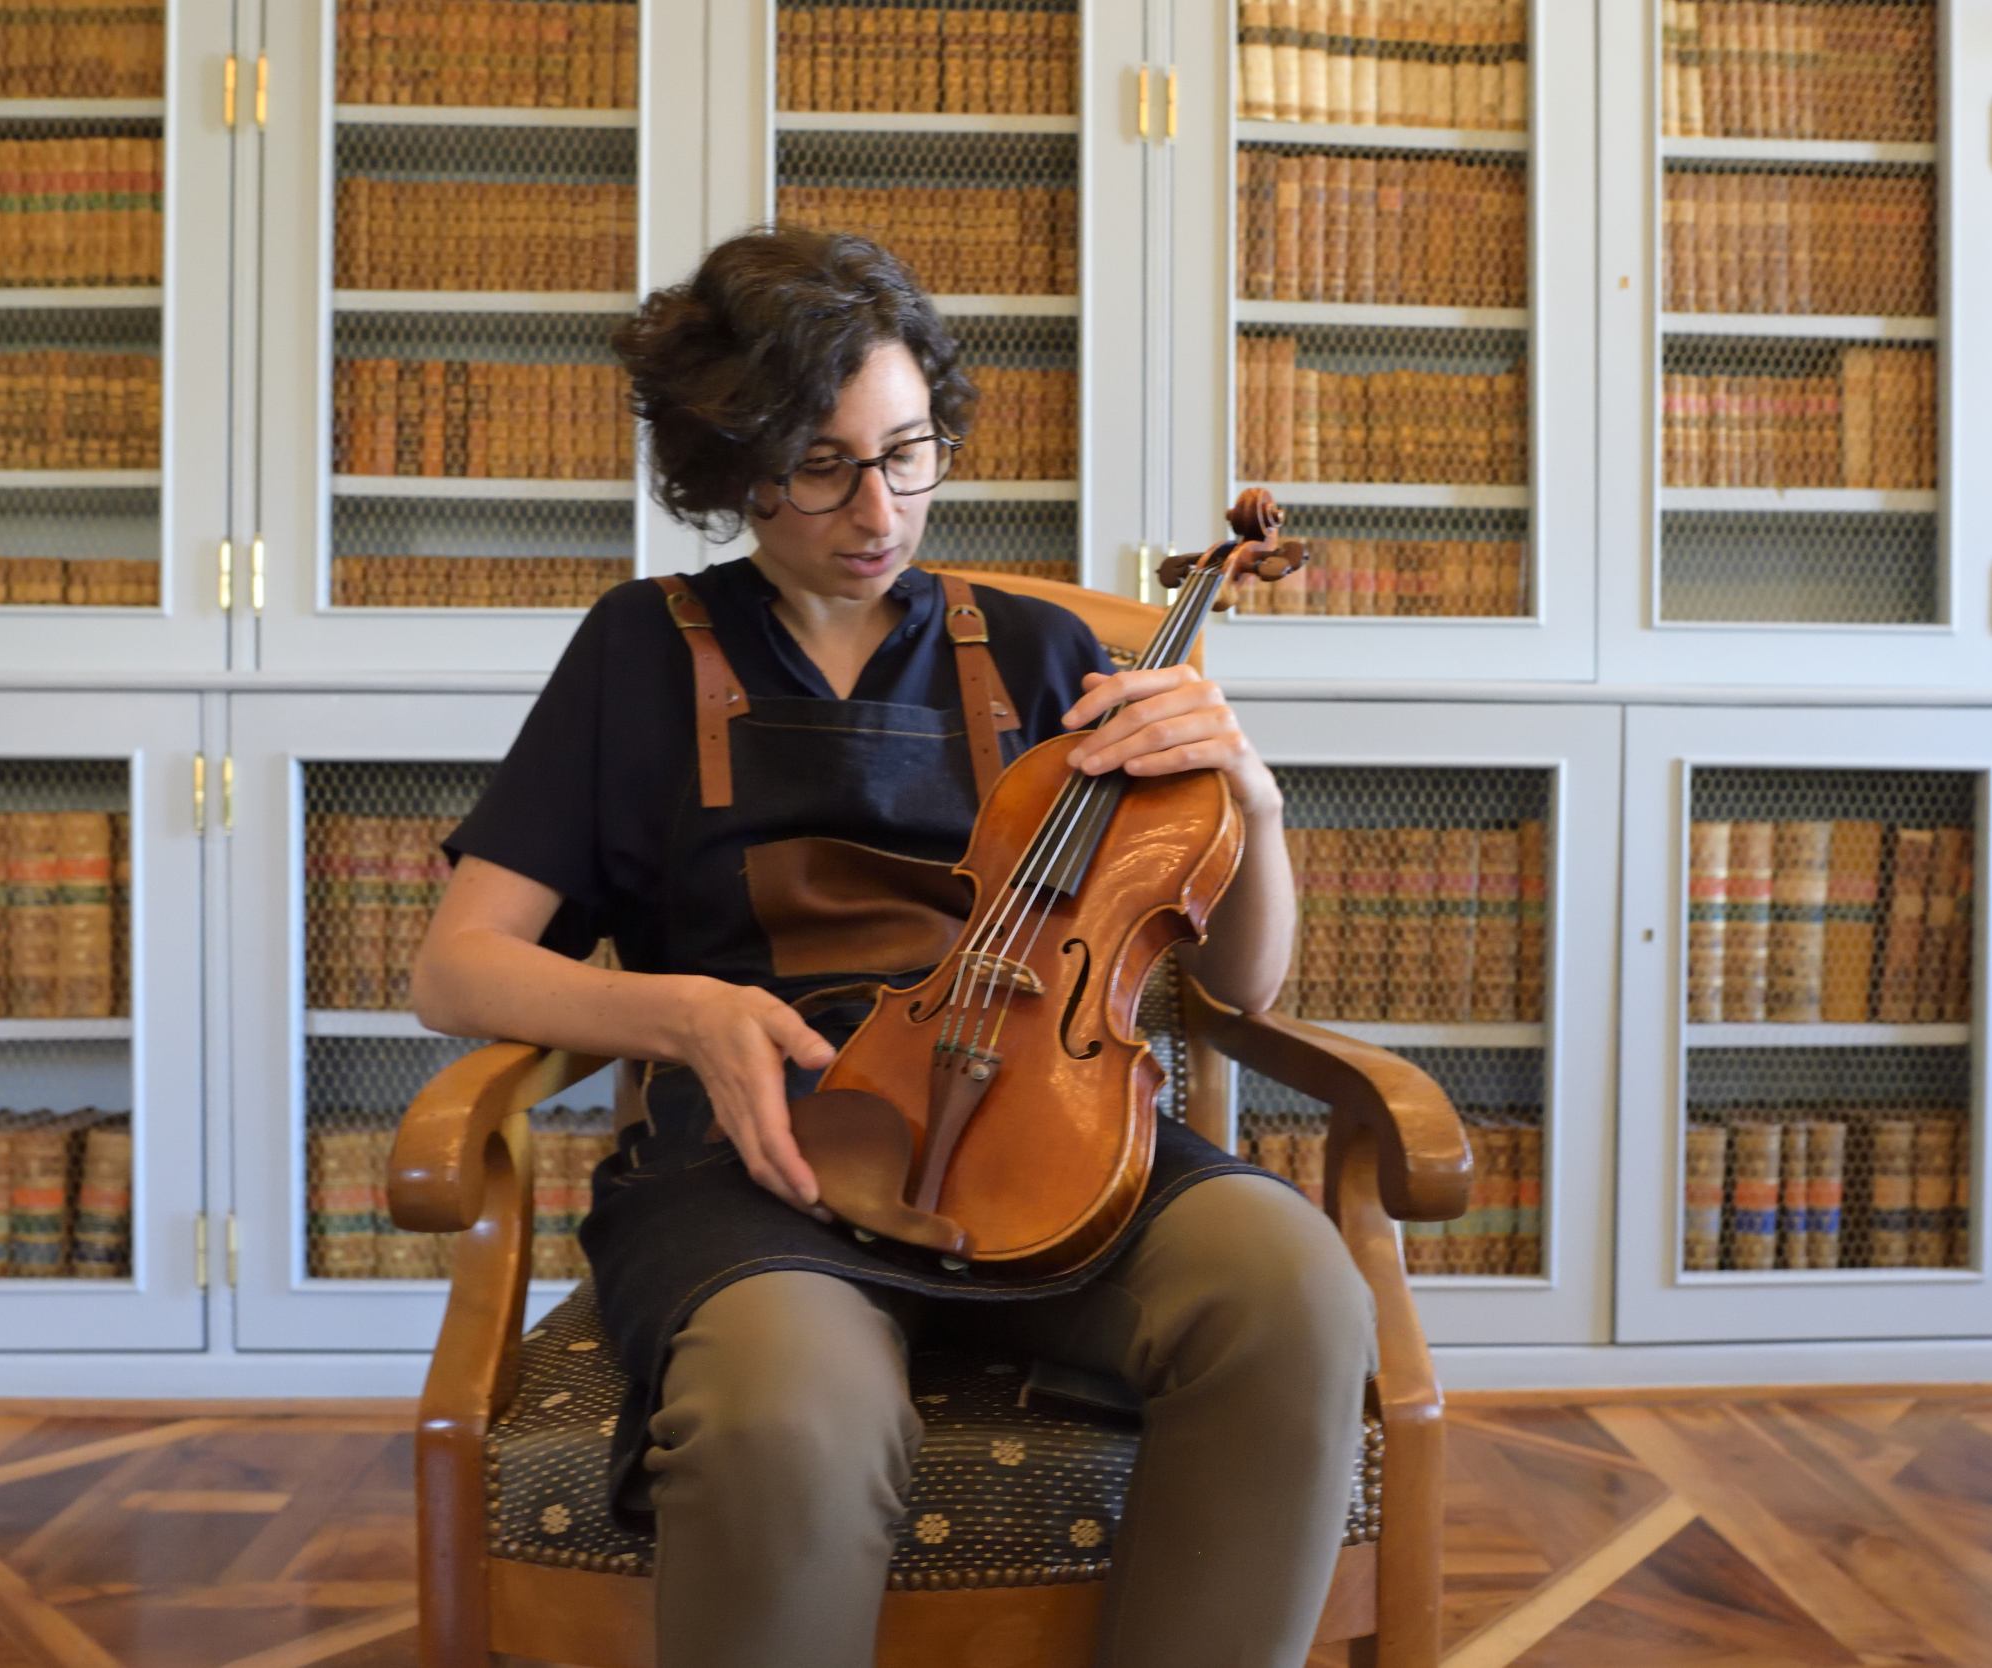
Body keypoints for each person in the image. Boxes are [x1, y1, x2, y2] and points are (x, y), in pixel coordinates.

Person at [413, 224, 1376, 1668]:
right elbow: (457, 966)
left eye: (909, 451)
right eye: (821, 464)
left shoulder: (1048, 654)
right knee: (789, 1410)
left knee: (1294, 1287)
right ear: (725, 464)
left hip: (1053, 1123)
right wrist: (685, 1016)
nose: (879, 510)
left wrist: (1253, 796)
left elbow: (1239, 985)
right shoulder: (639, 649)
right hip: (762, 1160)